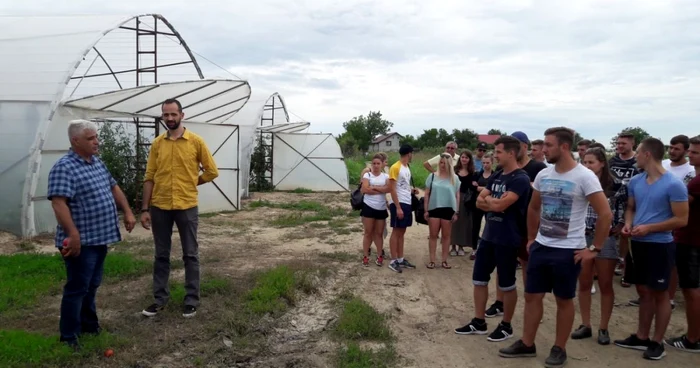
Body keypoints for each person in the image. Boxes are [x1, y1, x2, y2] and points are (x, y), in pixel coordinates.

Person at [499, 127, 612, 368]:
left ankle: (559, 348)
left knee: (564, 299)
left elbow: (605, 214)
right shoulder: (544, 175)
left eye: (548, 145)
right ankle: (527, 343)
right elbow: (534, 207)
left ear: (563, 147)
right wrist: (531, 238)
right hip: (542, 245)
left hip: (569, 250)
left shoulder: (584, 176)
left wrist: (595, 249)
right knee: (532, 296)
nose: (543, 149)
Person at [48, 120, 136, 349]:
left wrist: (127, 211)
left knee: (92, 284)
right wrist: (73, 234)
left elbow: (113, 187)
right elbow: (59, 203)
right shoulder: (64, 167)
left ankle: (89, 324)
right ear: (75, 141)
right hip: (81, 241)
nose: (96, 141)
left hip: (99, 237)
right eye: (90, 138)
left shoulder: (96, 163)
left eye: (96, 136)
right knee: (77, 287)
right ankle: (69, 336)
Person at [140, 98, 219, 318]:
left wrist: (193, 182)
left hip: (186, 206)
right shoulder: (157, 144)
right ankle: (159, 299)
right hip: (160, 206)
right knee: (161, 255)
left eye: (173, 114)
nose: (170, 118)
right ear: (162, 116)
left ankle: (191, 300)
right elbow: (149, 177)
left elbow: (212, 171)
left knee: (190, 254)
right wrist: (145, 209)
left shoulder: (195, 142)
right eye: (166, 115)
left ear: (182, 115)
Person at [614, 137, 689, 360]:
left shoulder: (674, 184)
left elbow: (682, 219)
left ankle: (658, 342)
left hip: (660, 245)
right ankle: (641, 336)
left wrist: (650, 228)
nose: (635, 156)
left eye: (638, 152)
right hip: (637, 243)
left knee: (660, 294)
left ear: (647, 154)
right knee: (643, 291)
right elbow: (631, 208)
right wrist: (628, 224)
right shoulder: (636, 181)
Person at [455, 136, 531, 342]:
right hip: (488, 236)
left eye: (498, 152)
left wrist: (491, 201)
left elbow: (496, 206)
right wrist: (493, 201)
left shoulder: (520, 179)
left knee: (507, 284)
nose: (494, 156)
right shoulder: (497, 175)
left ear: (511, 153)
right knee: (479, 279)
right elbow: (480, 202)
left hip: (508, 238)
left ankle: (506, 325)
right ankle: (479, 321)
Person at [485, 131, 547, 319]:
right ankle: (499, 302)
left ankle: (532, 305)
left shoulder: (538, 167)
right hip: (505, 224)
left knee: (528, 265)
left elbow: (542, 194)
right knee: (503, 265)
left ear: (523, 147)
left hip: (528, 225)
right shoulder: (504, 170)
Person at [571, 147, 628, 345]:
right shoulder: (578, 181)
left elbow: (621, 211)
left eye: (591, 162)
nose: (587, 166)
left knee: (605, 284)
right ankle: (585, 324)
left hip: (605, 237)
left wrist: (617, 228)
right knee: (584, 283)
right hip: (582, 236)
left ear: (602, 163)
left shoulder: (616, 185)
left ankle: (604, 327)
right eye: (584, 162)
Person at [665, 135, 700, 353]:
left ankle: (693, 339)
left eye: (695, 152)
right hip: (691, 238)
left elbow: (679, 207)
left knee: (691, 290)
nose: (690, 155)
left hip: (691, 240)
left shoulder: (696, 182)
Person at [609, 132, 639, 287]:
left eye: (623, 143)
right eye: (618, 143)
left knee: (627, 234)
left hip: (633, 203)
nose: (620, 146)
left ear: (632, 143)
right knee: (614, 232)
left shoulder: (637, 161)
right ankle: (616, 261)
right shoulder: (613, 161)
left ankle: (627, 268)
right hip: (614, 202)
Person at [423, 154, 461, 269]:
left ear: (449, 164)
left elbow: (457, 195)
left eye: (445, 163)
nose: (442, 165)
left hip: (448, 209)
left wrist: (456, 212)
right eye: (441, 162)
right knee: (433, 235)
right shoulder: (432, 176)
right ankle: (432, 260)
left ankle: (444, 261)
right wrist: (426, 210)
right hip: (434, 208)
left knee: (446, 236)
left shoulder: (455, 178)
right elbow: (426, 194)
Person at [388, 144, 419, 273]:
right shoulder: (395, 167)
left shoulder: (407, 167)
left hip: (407, 201)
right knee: (396, 231)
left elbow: (402, 185)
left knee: (402, 232)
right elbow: (392, 188)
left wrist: (411, 191)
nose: (412, 155)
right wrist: (398, 207)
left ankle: (400, 258)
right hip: (399, 203)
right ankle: (393, 260)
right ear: (409, 153)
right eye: (412, 153)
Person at [360, 154, 390, 266]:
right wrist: (380, 190)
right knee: (368, 232)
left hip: (381, 207)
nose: (376, 166)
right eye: (374, 163)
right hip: (368, 206)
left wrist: (373, 188)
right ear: (371, 164)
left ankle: (379, 255)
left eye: (378, 163)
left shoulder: (386, 176)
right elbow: (364, 189)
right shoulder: (367, 175)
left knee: (379, 233)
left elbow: (388, 188)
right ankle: (365, 256)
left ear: (382, 164)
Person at [451, 150, 478, 256]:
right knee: (453, 222)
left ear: (469, 159)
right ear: (460, 158)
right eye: (462, 157)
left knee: (463, 222)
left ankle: (461, 246)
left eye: (466, 157)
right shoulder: (454, 170)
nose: (464, 159)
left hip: (466, 200)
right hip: (453, 197)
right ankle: (453, 246)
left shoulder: (473, 173)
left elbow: (474, 187)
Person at [472, 154, 494, 260]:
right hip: (478, 203)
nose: (485, 165)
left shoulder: (495, 175)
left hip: (490, 204)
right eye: (483, 163)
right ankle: (474, 249)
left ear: (492, 163)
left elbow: (494, 189)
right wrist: (486, 189)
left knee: (489, 226)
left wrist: (480, 188)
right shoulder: (478, 174)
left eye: (487, 163)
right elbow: (473, 188)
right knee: (475, 226)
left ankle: (488, 250)